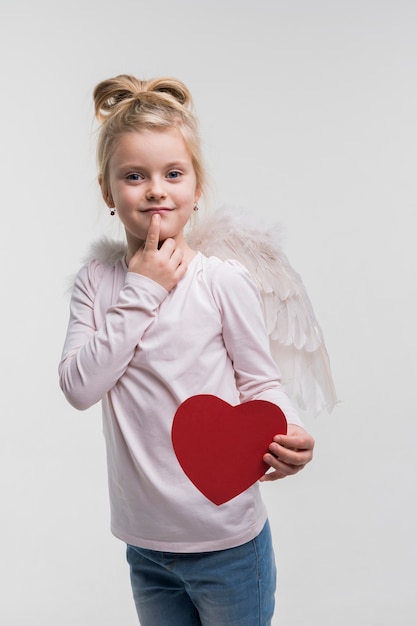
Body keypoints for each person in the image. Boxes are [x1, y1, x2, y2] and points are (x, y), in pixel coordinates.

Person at [58, 74, 316, 626]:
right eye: (134, 176)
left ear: (196, 188)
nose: (156, 190)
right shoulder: (96, 284)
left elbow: (260, 382)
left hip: (228, 543)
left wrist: (286, 430)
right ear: (107, 192)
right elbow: (79, 386)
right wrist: (143, 289)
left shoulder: (222, 281)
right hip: (145, 543)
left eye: (173, 174)